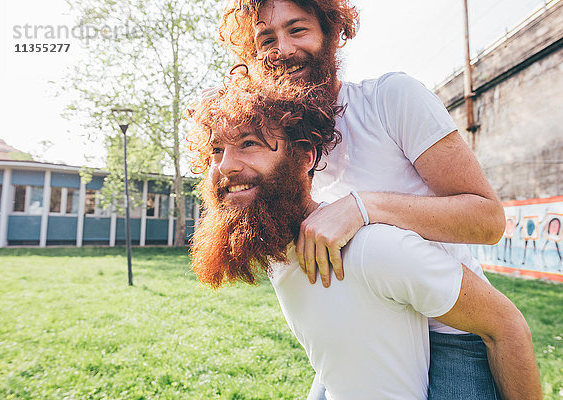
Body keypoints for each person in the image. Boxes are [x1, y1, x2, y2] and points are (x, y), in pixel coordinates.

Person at [187, 75, 542, 399]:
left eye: (249, 143)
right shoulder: (279, 255)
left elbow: (507, 327)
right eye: (216, 150)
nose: (225, 166)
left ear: (305, 158)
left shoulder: (376, 251)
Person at [217, 1, 507, 399]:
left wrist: (363, 206)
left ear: (332, 33)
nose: (282, 49)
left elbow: (488, 221)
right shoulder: (280, 146)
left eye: (297, 30)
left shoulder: (391, 99)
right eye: (267, 39)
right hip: (366, 329)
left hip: (449, 331)